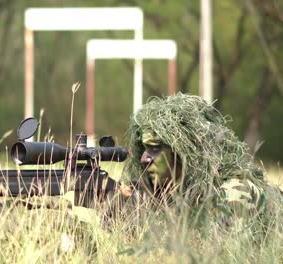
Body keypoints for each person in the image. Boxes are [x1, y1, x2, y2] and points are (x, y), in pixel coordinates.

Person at [116, 93, 281, 230]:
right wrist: (121, 210)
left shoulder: (234, 191)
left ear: (183, 154)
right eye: (144, 149)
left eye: (155, 149)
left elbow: (215, 253)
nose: (144, 158)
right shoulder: (173, 193)